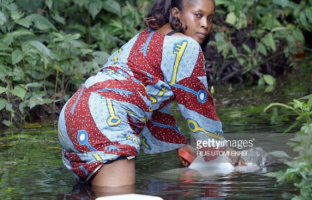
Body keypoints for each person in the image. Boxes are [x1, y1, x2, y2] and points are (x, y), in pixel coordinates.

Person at [57, 0, 245, 189]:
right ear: (176, 13)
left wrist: (180, 145)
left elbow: (149, 102)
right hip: (104, 123)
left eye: (210, 18)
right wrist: (221, 150)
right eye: (198, 15)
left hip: (73, 115)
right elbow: (198, 106)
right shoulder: (187, 46)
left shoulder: (144, 37)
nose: (205, 24)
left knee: (89, 193)